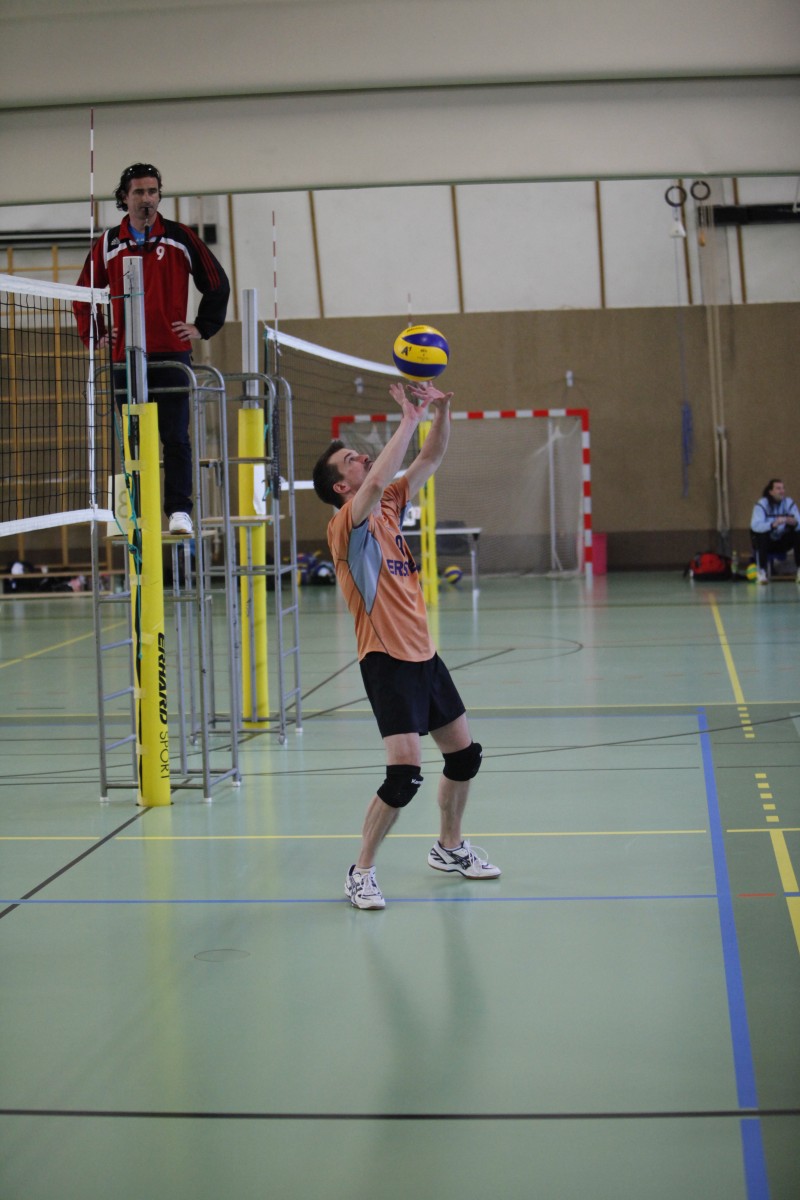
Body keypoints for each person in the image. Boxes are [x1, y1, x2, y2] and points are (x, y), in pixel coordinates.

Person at [312, 380, 500, 910]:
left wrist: (441, 413)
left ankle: (449, 848)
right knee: (403, 776)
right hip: (386, 660)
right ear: (341, 486)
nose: (361, 458)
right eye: (350, 460)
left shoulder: (391, 505)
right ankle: (361, 871)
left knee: (464, 758)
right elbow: (376, 481)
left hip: (424, 656)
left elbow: (431, 459)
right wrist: (408, 419)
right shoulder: (346, 525)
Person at [74, 163, 230, 536]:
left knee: (175, 437)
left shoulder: (180, 237)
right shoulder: (108, 243)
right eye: (139, 192)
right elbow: (83, 294)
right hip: (124, 358)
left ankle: (179, 511)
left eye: (153, 191)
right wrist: (98, 334)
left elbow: (217, 283)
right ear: (124, 197)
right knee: (133, 440)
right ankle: (136, 511)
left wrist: (202, 326)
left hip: (171, 354)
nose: (147, 198)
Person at [750, 478, 800, 584]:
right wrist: (773, 524)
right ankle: (762, 572)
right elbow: (755, 526)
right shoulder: (761, 504)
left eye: (783, 488)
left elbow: (798, 521)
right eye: (778, 488)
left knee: (798, 533)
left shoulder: (789, 503)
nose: (782, 491)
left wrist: (794, 522)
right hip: (767, 541)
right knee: (761, 535)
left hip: (782, 540)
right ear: (771, 492)